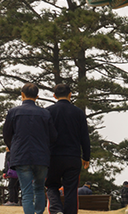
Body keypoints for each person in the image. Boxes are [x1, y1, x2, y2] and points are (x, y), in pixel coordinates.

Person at [3, 83, 58, 214]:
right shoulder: (45, 113)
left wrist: (13, 147)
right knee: (39, 188)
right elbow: (53, 136)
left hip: (21, 156)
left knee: (26, 191)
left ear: (22, 95)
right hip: (41, 157)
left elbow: (6, 135)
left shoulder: (13, 112)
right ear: (37, 96)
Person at [45, 84, 91, 214]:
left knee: (51, 185)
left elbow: (44, 135)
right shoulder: (78, 112)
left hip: (53, 156)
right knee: (71, 189)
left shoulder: (48, 111)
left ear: (54, 96)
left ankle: (56, 210)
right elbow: (84, 136)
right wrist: (86, 157)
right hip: (73, 156)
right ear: (70, 94)